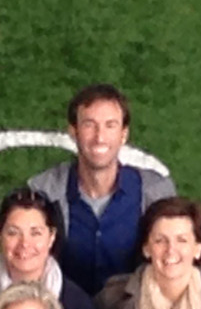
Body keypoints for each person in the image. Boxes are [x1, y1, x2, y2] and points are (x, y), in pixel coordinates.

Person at [26, 83, 178, 293]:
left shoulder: (156, 191)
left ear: (124, 134)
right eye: (89, 124)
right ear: (73, 131)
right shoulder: (44, 191)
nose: (99, 137)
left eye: (110, 125)